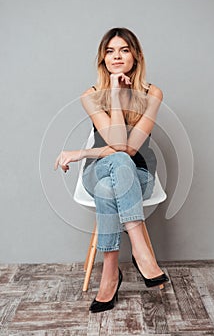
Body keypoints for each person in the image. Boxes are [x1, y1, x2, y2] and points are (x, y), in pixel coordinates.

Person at [54, 27, 169, 313]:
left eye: (124, 50)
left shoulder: (152, 93)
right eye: (110, 51)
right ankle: (141, 252)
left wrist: (82, 152)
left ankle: (109, 275)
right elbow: (117, 144)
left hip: (138, 174)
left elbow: (129, 150)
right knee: (115, 164)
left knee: (113, 180)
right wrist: (115, 95)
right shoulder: (91, 95)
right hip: (98, 170)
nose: (116, 56)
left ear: (136, 56)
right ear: (102, 58)